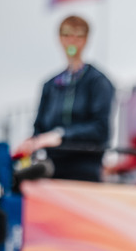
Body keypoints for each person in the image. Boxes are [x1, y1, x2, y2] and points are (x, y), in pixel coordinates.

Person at [15, 15, 115, 182]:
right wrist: (31, 142)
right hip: (51, 166)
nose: (72, 42)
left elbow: (101, 128)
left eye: (78, 36)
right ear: (60, 39)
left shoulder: (98, 82)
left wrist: (60, 135)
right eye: (67, 35)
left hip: (84, 167)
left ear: (86, 40)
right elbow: (39, 127)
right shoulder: (51, 85)